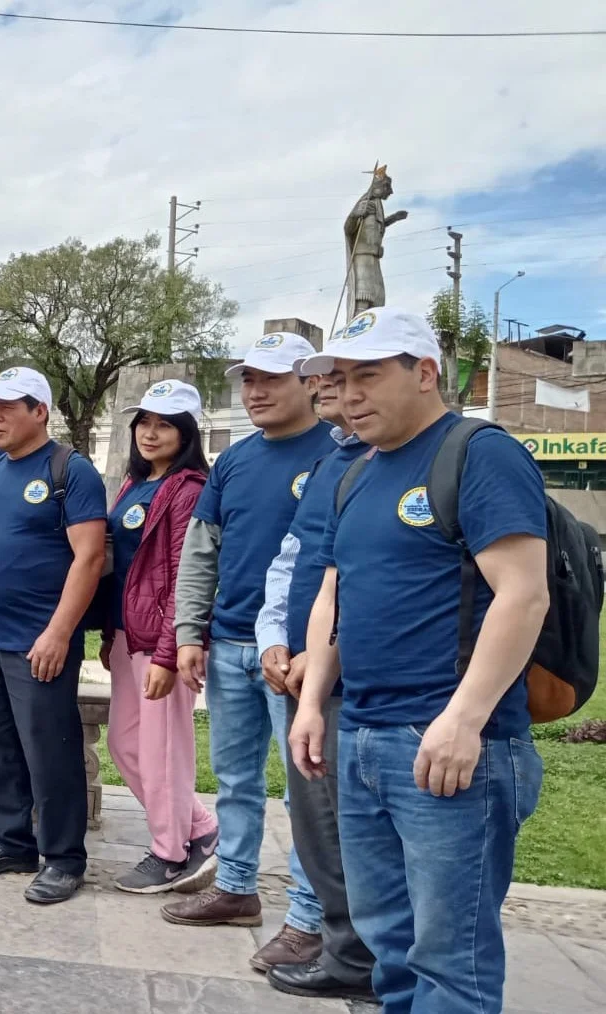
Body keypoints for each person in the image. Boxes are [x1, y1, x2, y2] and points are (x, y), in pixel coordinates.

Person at [290, 307, 548, 1014]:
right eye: (340, 379)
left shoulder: (478, 453)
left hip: (446, 743)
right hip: (362, 735)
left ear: (425, 372)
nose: (349, 394)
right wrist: (312, 703)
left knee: (449, 959)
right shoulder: (355, 474)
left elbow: (523, 595)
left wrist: (464, 719)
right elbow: (335, 596)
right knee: (388, 944)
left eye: (368, 376)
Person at [163, 334, 330, 971]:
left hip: (299, 657)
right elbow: (200, 552)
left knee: (308, 790)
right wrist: (188, 632)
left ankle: (310, 917)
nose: (255, 392)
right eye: (248, 381)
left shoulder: (339, 453)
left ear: (311, 383)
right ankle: (235, 887)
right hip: (230, 644)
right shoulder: (233, 461)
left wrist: (315, 648)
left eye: (270, 379)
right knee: (235, 779)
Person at [0, 366, 105, 904]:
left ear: (40, 412)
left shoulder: (70, 471)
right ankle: (11, 842)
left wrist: (59, 632)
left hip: (38, 642)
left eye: (8, 407)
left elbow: (89, 557)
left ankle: (63, 858)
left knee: (50, 751)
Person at [251, 366, 376, 999]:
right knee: (320, 829)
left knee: (365, 838)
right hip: (306, 680)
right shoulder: (334, 464)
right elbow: (295, 562)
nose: (329, 386)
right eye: (326, 376)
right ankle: (348, 956)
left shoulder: (430, 460)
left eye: (350, 375)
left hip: (367, 690)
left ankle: (377, 961)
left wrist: (322, 658)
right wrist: (275, 640)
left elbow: (380, 583)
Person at [100, 380, 219, 894]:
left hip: (162, 642)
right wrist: (110, 634)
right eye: (144, 422)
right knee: (125, 743)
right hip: (129, 634)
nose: (150, 433)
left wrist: (170, 654)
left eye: (164, 424)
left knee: (162, 750)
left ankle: (170, 854)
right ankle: (202, 828)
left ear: (187, 433)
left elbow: (185, 576)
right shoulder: (136, 482)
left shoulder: (189, 489)